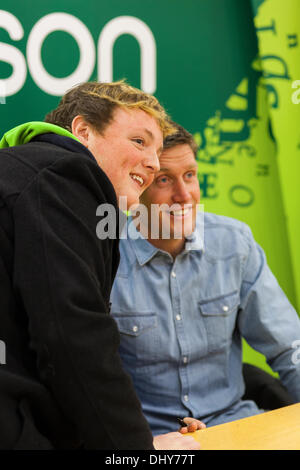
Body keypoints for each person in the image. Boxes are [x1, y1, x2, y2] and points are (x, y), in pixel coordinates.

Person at [0, 82, 201, 450]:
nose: (154, 164)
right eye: (139, 141)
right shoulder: (64, 173)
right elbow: (73, 336)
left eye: (157, 152)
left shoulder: (26, 176)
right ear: (83, 131)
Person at [110, 121, 300, 436]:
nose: (184, 195)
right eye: (164, 180)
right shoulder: (106, 258)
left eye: (190, 176)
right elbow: (88, 378)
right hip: (151, 438)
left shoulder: (234, 243)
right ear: (137, 188)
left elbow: (289, 348)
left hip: (237, 423)